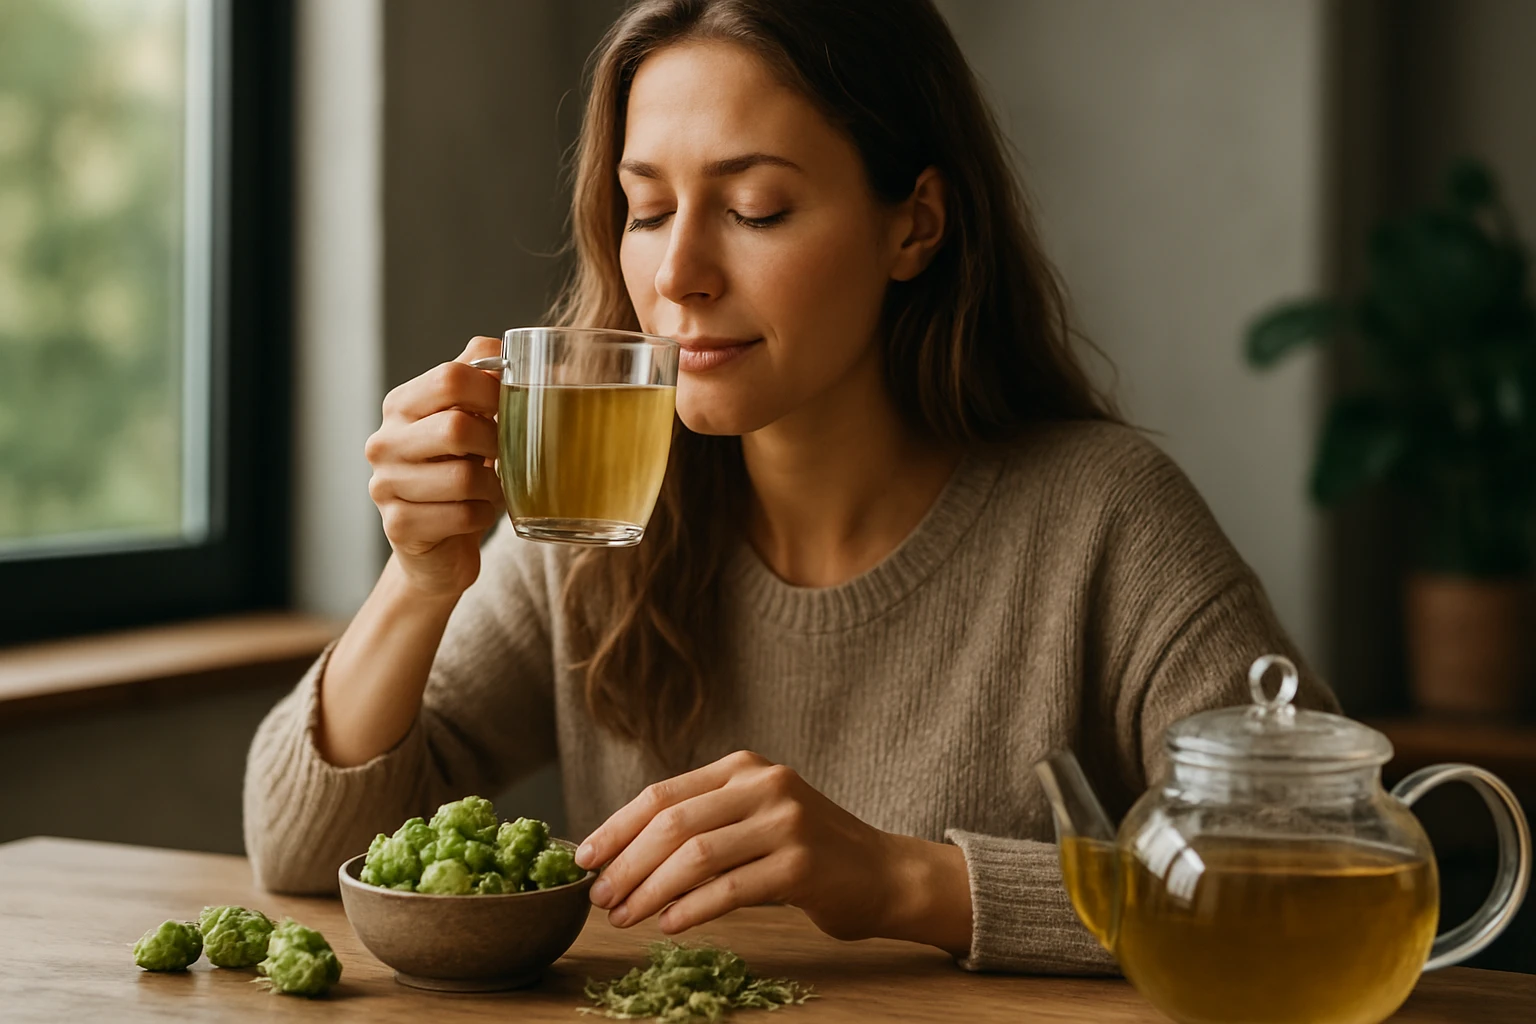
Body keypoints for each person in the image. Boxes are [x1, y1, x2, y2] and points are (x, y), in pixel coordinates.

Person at [244, 0, 1334, 974]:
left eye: (756, 208)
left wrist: (903, 882)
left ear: (916, 223)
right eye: (648, 208)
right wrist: (421, 579)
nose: (677, 278)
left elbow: (1316, 882)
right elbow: (298, 851)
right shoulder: (598, 498)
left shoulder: (1104, 515)